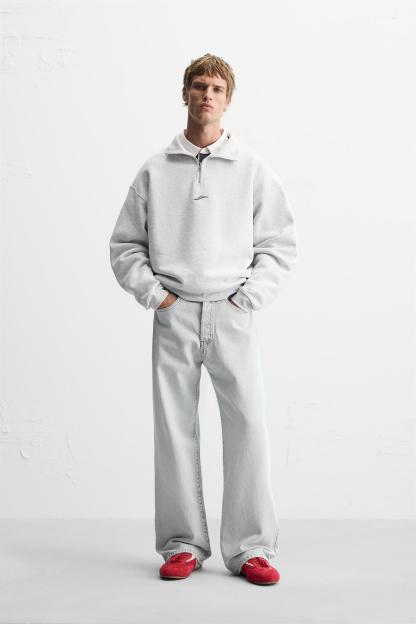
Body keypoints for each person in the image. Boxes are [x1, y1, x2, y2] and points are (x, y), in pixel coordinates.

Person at [109, 53, 297, 585]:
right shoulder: (155, 170)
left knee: (249, 426)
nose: (207, 95)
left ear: (228, 99)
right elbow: (125, 245)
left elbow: (279, 243)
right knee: (173, 429)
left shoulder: (251, 168)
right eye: (198, 85)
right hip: (175, 314)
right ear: (185, 94)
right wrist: (158, 298)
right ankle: (182, 543)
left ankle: (251, 548)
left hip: (232, 312)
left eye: (216, 87)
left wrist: (247, 299)